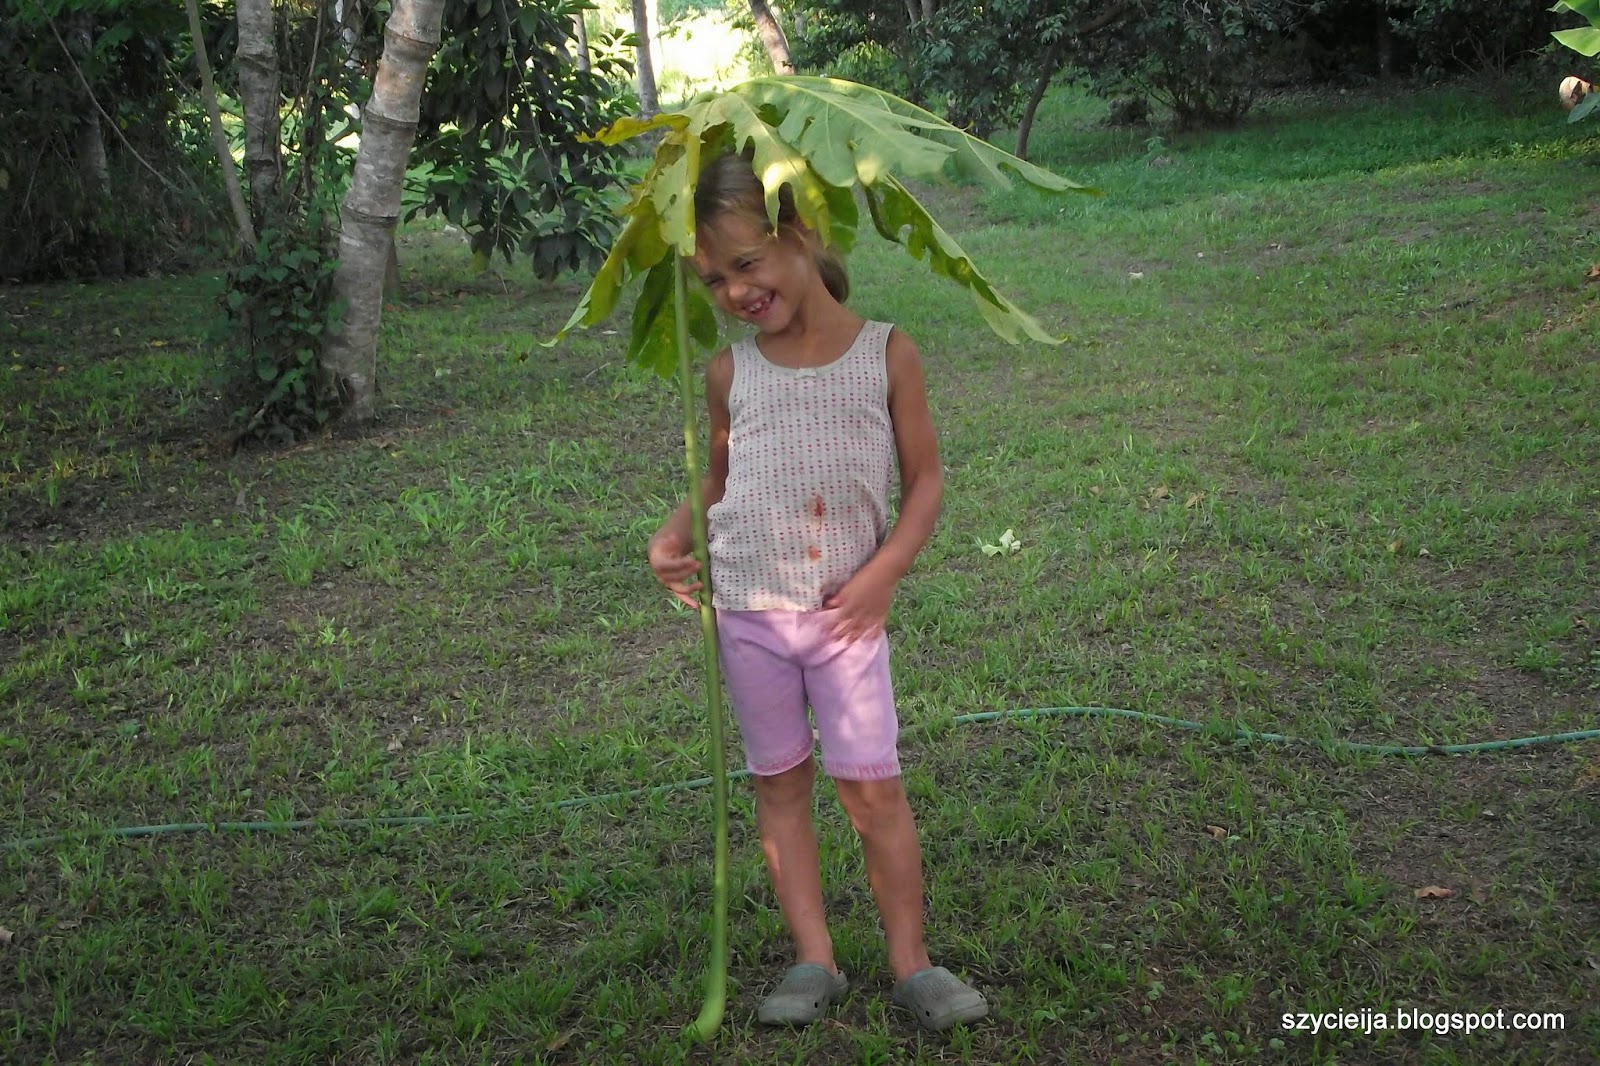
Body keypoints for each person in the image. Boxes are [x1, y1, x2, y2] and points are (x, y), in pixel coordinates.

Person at [646, 151, 989, 1032]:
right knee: (779, 785)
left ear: (798, 232)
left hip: (844, 623)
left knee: (871, 790)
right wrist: (673, 537)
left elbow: (927, 482)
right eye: (713, 280)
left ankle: (911, 963)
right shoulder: (730, 373)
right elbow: (718, 478)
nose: (733, 292)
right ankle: (814, 959)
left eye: (745, 264)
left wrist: (881, 576)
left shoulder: (886, 353)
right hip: (750, 619)